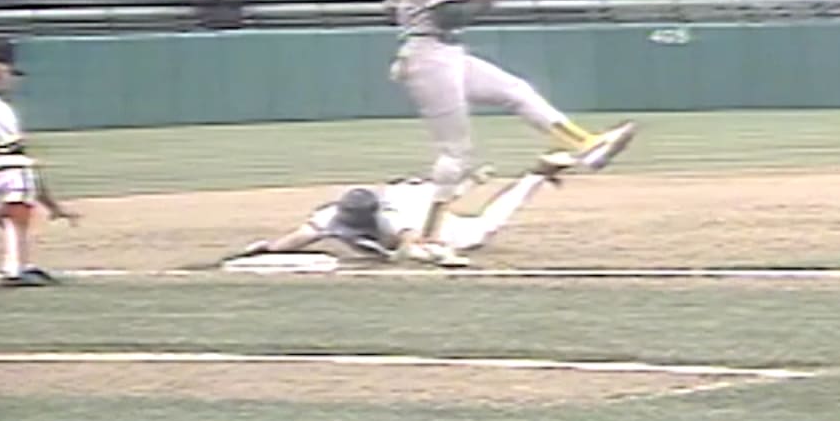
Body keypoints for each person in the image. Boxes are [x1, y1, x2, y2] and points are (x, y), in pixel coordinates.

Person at [383, 0, 636, 265]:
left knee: (516, 92)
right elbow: (445, 16)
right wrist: (481, 0)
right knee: (455, 153)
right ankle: (429, 240)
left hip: (434, 50)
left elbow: (396, 6)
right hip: (431, 54)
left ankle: (586, 146)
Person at [224, 151, 579, 267]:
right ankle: (533, 175)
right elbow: (296, 240)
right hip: (423, 197)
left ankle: (535, 175)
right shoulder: (336, 214)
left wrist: (436, 255)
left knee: (482, 229)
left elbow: (413, 244)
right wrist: (265, 250)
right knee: (452, 208)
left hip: (429, 213)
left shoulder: (387, 215)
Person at [0, 37, 78, 286]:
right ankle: (16, 268)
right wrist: (54, 207)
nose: (11, 80)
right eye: (10, 72)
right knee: (19, 169)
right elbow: (18, 161)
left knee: (0, 167)